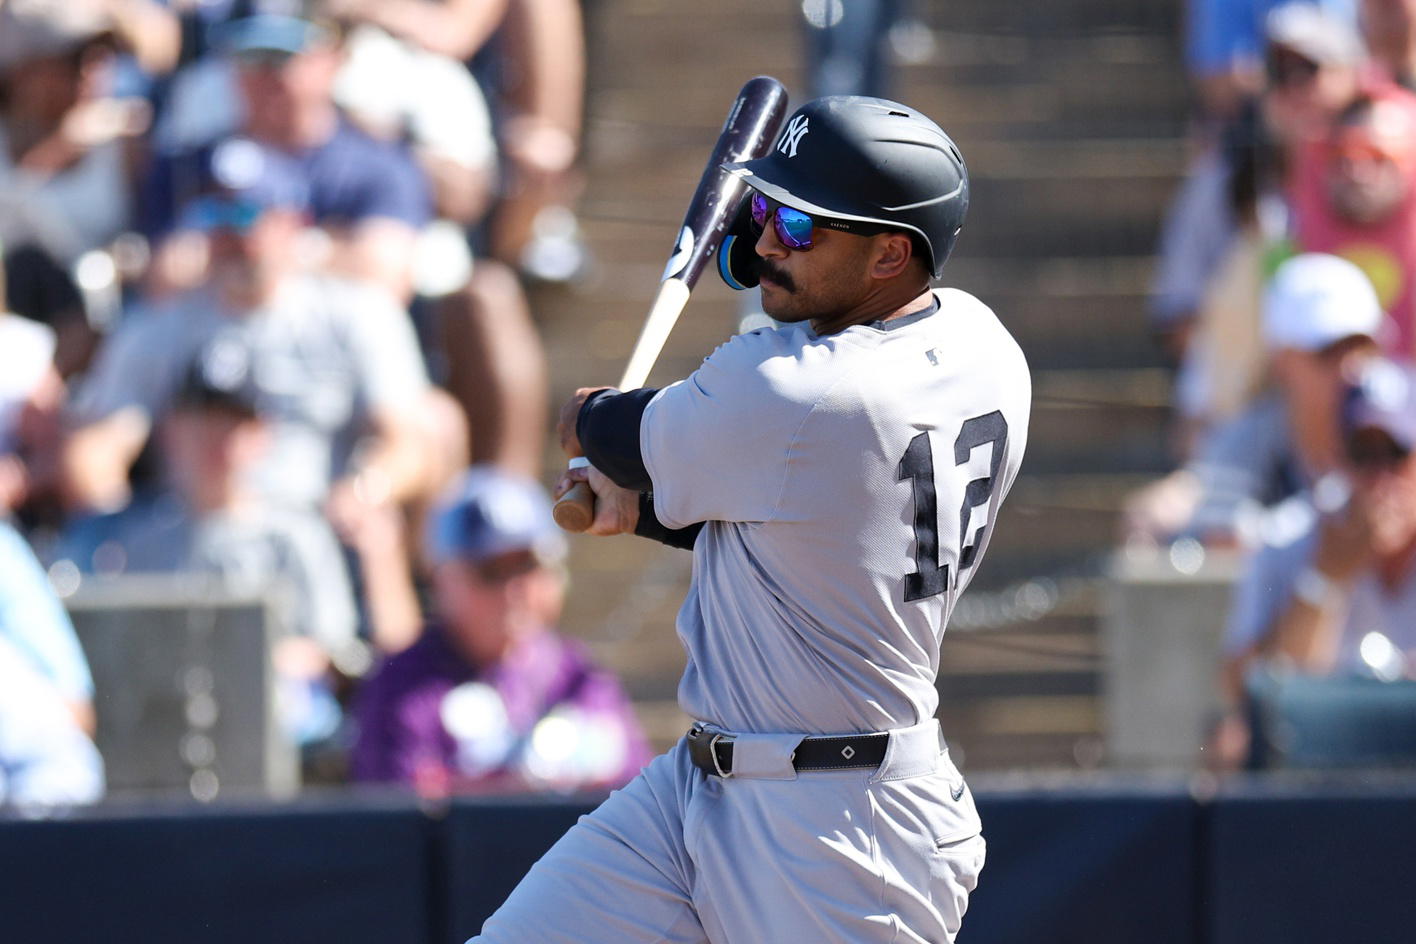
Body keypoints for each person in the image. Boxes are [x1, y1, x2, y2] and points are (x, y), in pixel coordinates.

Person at [471, 96, 1031, 943]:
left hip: (842, 835)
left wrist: (600, 426)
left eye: (804, 226)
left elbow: (604, 425)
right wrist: (655, 500)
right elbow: (804, 516)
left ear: (890, 253)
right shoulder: (984, 347)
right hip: (701, 790)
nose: (767, 241)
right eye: (766, 209)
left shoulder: (796, 385)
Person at [352, 466, 650, 794]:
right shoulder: (404, 683)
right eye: (490, 572)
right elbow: (392, 815)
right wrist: (511, 788)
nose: (514, 590)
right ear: (441, 580)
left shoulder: (579, 675)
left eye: (527, 566)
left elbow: (636, 790)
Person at [1215, 358, 1416, 767]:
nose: (1380, 479)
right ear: (1340, 458)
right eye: (1364, 455)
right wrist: (1326, 579)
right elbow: (1249, 694)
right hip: (1319, 774)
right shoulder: (1288, 539)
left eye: (1395, 454)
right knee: (1229, 743)